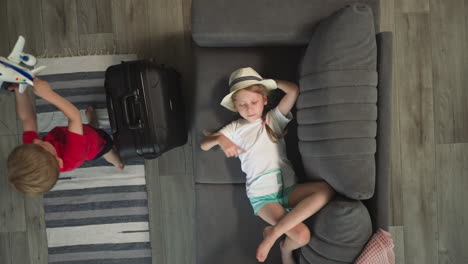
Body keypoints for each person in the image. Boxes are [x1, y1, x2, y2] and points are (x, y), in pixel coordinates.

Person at [200, 67, 335, 264]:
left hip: (290, 188)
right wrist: (221, 140)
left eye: (254, 102)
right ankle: (285, 250)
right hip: (263, 196)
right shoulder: (236, 128)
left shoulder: (273, 120)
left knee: (326, 190)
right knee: (302, 236)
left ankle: (274, 236)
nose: (249, 109)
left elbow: (293, 91)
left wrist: (270, 82)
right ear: (236, 108)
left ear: (264, 100)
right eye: (242, 105)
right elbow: (204, 145)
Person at [7, 78, 124, 196]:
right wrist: (48, 94)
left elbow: (28, 119)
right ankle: (117, 162)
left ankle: (93, 123)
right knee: (108, 151)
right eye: (42, 144)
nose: (36, 140)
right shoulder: (72, 157)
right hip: (96, 145)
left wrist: (19, 90)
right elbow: (74, 117)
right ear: (59, 162)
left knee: (88, 128)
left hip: (81, 132)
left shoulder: (33, 148)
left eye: (32, 144)